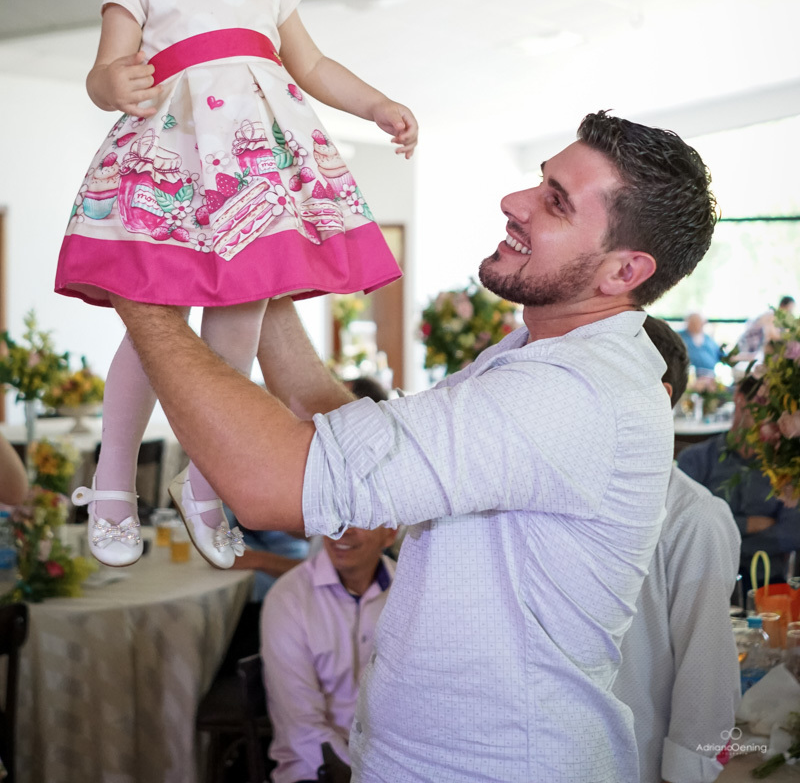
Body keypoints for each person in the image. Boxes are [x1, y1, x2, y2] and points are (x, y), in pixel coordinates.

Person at [109, 110, 718, 783]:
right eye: (538, 181)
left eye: (555, 203)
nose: (513, 203)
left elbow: (272, 482)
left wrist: (140, 289)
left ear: (623, 269)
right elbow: (358, 440)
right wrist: (267, 268)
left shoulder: (574, 394)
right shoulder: (538, 353)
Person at [54, 0, 418, 570]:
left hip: (255, 167)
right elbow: (104, 69)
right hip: (176, 159)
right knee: (154, 319)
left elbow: (312, 69)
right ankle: (115, 475)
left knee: (239, 322)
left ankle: (210, 473)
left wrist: (377, 104)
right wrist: (110, 82)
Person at [615, 317, 740, 783]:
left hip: (636, 763)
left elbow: (706, 675)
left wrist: (685, 775)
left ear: (658, 397)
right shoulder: (559, 492)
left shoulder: (693, 517)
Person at [261, 525, 396, 783]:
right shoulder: (289, 598)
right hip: (316, 767)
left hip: (393, 761)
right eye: (334, 519)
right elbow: (302, 727)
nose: (341, 532)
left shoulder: (410, 591)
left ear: (390, 533)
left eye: (359, 519)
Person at [678, 372, 800, 583]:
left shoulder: (785, 467)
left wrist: (722, 544)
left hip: (768, 585)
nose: (769, 414)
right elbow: (685, 526)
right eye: (762, 402)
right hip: (704, 583)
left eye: (776, 408)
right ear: (739, 398)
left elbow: (792, 533)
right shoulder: (695, 459)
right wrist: (748, 524)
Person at [738, 296, 796, 360]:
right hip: (748, 348)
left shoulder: (779, 320)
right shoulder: (771, 315)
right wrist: (791, 337)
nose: (790, 312)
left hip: (755, 349)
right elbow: (772, 334)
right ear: (782, 305)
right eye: (790, 309)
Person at [679, 311, 722, 378]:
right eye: (693, 322)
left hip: (709, 376)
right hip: (687, 375)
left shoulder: (709, 339)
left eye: (698, 321)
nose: (696, 324)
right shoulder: (679, 336)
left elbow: (720, 355)